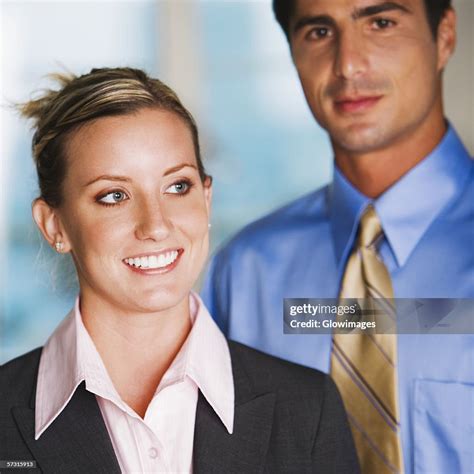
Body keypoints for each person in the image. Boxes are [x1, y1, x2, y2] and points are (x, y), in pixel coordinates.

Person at [0, 67, 359, 473]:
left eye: (177, 186)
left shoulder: (307, 409)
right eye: (114, 195)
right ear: (54, 225)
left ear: (206, 198)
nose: (155, 225)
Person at [202, 1, 473, 473]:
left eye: (382, 23)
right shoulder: (245, 272)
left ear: (444, 36)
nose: (348, 64)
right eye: (319, 32)